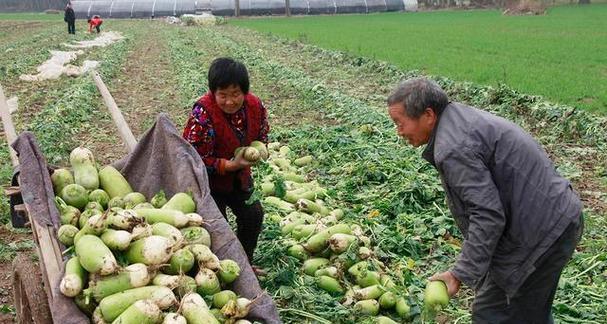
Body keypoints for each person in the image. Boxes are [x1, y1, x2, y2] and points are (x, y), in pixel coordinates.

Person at [387, 77, 583, 323]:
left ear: (428, 114)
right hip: (551, 219)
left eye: (399, 123)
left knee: (492, 314)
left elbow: (487, 215)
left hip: (542, 233)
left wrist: (459, 274)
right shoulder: (456, 121)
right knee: (528, 312)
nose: (399, 132)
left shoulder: (453, 147)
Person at [183, 57, 269, 274]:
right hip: (208, 182)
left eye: (235, 94)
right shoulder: (202, 113)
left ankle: (245, 263)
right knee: (216, 227)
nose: (230, 101)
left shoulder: (255, 106)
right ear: (213, 92)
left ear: (245, 91)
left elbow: (261, 133)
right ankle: (218, 269)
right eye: (223, 95)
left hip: (239, 177)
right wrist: (229, 165)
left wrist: (258, 151)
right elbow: (191, 156)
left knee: (253, 215)